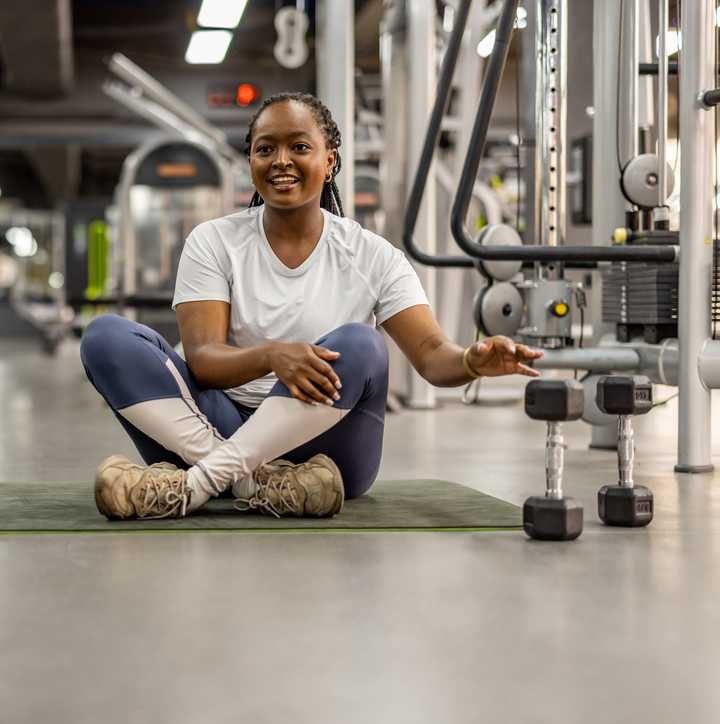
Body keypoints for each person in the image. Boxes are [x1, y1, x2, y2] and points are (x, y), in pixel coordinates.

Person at [80, 92, 542, 521]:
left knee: (362, 344)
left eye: (299, 147)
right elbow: (203, 361)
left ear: (330, 160)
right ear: (251, 162)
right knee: (106, 337)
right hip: (220, 427)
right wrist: (272, 355)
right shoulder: (214, 241)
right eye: (265, 149)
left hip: (327, 449)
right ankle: (260, 482)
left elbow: (432, 354)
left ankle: (197, 484)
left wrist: (471, 360)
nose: (281, 160)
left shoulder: (373, 255)